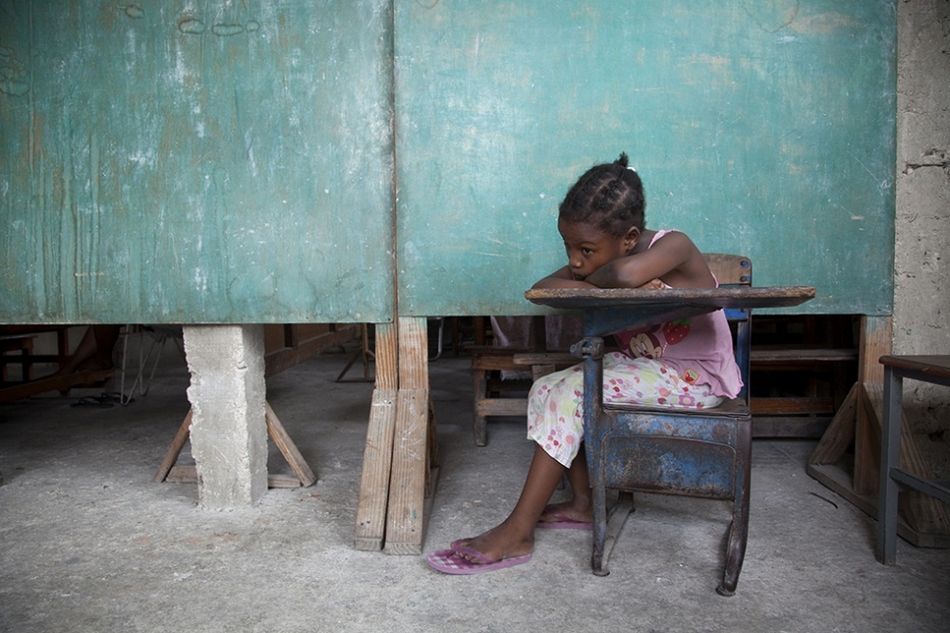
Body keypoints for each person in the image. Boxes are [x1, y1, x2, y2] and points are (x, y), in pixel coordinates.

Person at [426, 153, 743, 574]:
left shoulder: (675, 246)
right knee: (546, 388)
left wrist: (604, 276)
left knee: (573, 392)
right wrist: (597, 272)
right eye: (569, 248)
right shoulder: (599, 259)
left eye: (585, 250)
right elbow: (542, 288)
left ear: (629, 238)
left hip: (695, 380)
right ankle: (582, 503)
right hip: (647, 372)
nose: (575, 261)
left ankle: (517, 530)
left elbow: (629, 275)